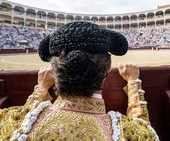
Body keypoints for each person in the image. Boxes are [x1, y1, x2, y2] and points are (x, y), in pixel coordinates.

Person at [0, 21, 159, 141]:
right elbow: (144, 131)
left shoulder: (9, 120)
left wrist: (41, 89)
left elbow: (24, 121)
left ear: (55, 71)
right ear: (109, 67)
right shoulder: (129, 132)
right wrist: (133, 83)